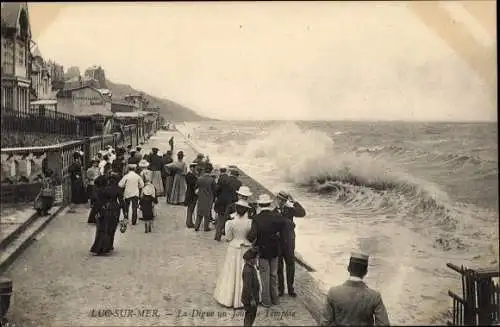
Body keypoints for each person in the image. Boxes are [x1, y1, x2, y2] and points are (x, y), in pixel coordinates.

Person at [320, 253, 390, 326]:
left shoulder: (333, 292)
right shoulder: (374, 296)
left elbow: (325, 323)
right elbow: (384, 324)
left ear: (348, 268)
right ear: (365, 272)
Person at [214, 199, 254, 308]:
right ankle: (246, 297)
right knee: (245, 273)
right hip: (246, 248)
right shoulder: (250, 223)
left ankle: (230, 298)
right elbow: (251, 237)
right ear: (247, 210)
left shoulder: (230, 223)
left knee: (232, 272)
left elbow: (228, 237)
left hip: (234, 248)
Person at [247, 194, 285, 307]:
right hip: (275, 249)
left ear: (259, 204)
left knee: (265, 276)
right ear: (269, 204)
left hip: (263, 250)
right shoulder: (276, 216)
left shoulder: (256, 219)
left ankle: (266, 301)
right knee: (274, 275)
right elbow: (282, 229)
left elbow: (251, 236)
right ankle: (275, 299)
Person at [274, 190, 306, 297]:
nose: (281, 202)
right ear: (276, 199)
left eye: (283, 200)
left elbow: (302, 213)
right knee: (279, 267)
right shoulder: (273, 212)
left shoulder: (290, 210)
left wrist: (295, 202)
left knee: (290, 266)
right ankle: (280, 289)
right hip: (277, 243)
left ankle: (291, 288)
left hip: (289, 243)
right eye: (280, 199)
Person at [90, 174, 122, 256]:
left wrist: (97, 212)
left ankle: (100, 247)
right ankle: (109, 246)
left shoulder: (103, 190)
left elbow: (98, 202)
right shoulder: (118, 189)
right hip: (115, 209)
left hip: (104, 210)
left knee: (102, 229)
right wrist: (125, 215)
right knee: (111, 228)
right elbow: (122, 202)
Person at [241, 248, 261, 327]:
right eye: (256, 258)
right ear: (251, 260)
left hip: (251, 298)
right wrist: (252, 299)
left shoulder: (250, 267)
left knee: (250, 316)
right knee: (250, 317)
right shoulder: (248, 271)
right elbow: (247, 287)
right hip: (250, 299)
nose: (257, 260)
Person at [194, 167, 216, 232]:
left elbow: (196, 187)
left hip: (201, 198)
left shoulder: (200, 179)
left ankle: (196, 226)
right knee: (207, 214)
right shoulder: (211, 180)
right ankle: (206, 228)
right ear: (210, 172)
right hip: (209, 198)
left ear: (204, 171)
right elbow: (215, 189)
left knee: (199, 213)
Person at [86, 159, 101, 223]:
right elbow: (88, 177)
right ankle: (91, 204)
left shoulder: (98, 169)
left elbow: (100, 175)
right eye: (94, 163)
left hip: (97, 183)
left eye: (96, 163)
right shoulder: (89, 169)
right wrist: (93, 178)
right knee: (91, 194)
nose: (96, 164)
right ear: (92, 164)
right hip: (92, 183)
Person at [184, 163, 198, 228]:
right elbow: (194, 185)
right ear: (192, 168)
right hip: (192, 194)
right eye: (195, 168)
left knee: (190, 209)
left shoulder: (187, 175)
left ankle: (189, 222)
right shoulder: (192, 176)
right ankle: (189, 223)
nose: (196, 169)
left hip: (188, 193)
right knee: (191, 209)